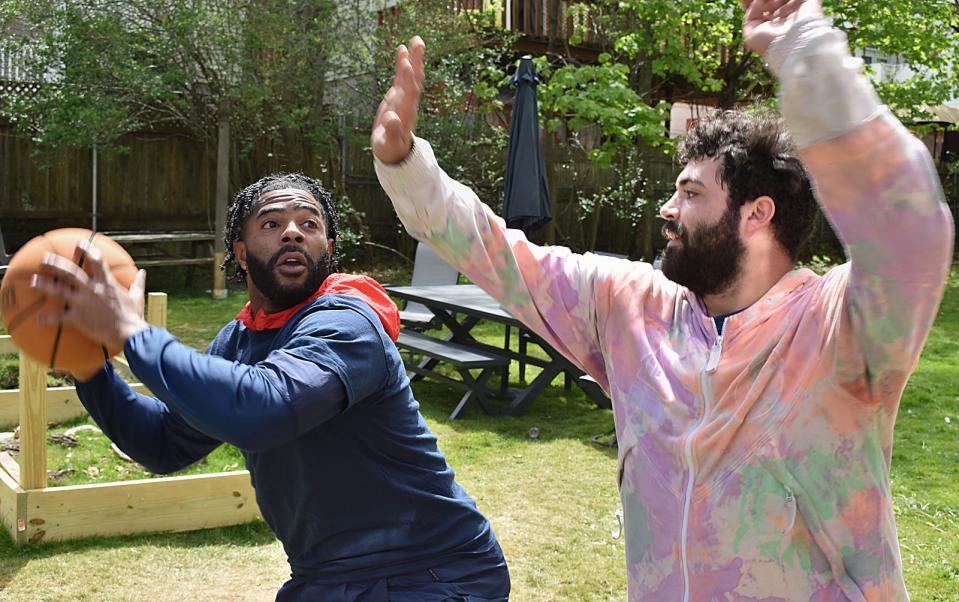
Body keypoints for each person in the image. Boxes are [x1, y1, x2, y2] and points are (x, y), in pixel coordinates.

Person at [370, 0, 953, 598]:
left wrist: (808, 53)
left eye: (690, 193)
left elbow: (906, 225)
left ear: (757, 215)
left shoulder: (842, 331)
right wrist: (405, 164)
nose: (667, 210)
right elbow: (499, 255)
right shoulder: (631, 309)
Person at [31, 173, 510, 602]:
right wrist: (90, 368)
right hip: (324, 577)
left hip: (433, 574)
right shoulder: (240, 339)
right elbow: (163, 443)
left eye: (310, 222)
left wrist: (134, 335)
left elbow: (267, 408)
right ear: (240, 252)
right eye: (271, 222)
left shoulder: (347, 323)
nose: (293, 231)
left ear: (327, 246)